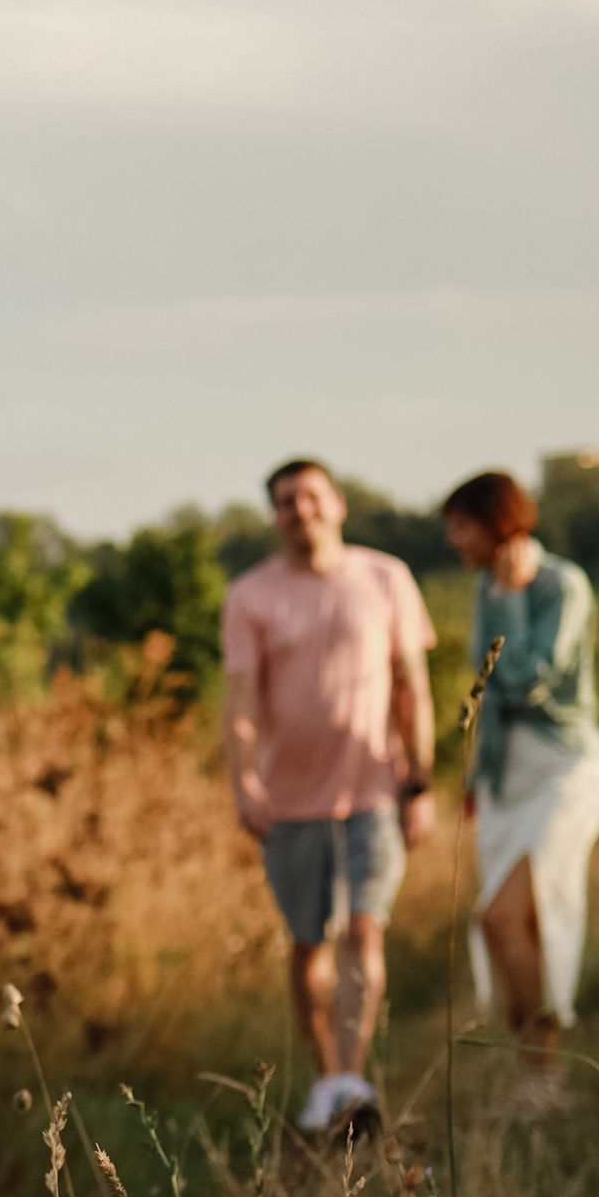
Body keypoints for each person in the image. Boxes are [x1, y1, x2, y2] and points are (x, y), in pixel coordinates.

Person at [221, 456, 436, 1134]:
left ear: (339, 504)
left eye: (311, 497)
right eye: (286, 502)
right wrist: (245, 781)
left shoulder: (385, 578)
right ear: (275, 516)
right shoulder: (251, 596)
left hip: (374, 788)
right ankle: (325, 1080)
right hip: (289, 799)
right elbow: (241, 704)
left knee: (365, 928)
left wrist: (420, 782)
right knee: (309, 941)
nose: (301, 511)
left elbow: (413, 686)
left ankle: (352, 1076)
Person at [441, 466, 599, 1095]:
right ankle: (537, 1076)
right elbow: (486, 694)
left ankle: (543, 1074)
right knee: (518, 925)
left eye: (460, 526)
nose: (454, 540)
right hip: (506, 773)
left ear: (494, 525)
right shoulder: (486, 586)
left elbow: (525, 677)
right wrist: (474, 775)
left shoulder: (562, 584)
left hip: (563, 769)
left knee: (504, 918)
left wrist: (512, 596)